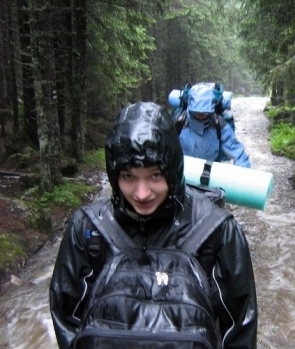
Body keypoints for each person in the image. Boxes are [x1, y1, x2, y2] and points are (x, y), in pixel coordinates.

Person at [49, 101, 258, 348]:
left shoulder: (218, 231)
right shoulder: (87, 229)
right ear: (114, 176)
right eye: (128, 176)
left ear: (173, 169)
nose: (141, 193)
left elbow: (239, 328)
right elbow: (67, 321)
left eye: (155, 175)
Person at [176, 82, 251, 168]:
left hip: (211, 171)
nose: (201, 116)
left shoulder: (219, 123)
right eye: (197, 113)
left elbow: (235, 149)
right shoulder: (180, 122)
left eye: (204, 113)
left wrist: (245, 170)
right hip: (185, 171)